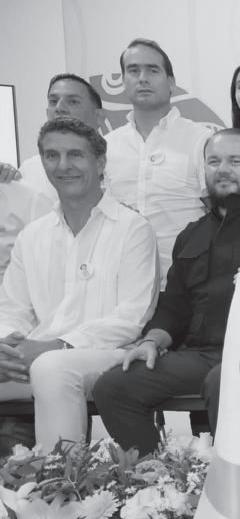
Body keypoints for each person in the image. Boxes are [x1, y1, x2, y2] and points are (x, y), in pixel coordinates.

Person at [93, 129, 240, 454]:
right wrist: (151, 341)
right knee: (114, 387)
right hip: (199, 355)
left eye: (235, 161)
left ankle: (231, 479)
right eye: (214, 161)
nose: (223, 169)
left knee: (222, 381)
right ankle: (160, 478)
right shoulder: (191, 234)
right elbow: (173, 307)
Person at [0, 118, 159, 449]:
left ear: (99, 163)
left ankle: (61, 474)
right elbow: (12, 309)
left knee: (52, 367)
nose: (63, 166)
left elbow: (131, 317)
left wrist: (56, 346)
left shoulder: (132, 228)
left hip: (108, 353)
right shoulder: (33, 235)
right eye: (52, 155)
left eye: (75, 155)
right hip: (32, 355)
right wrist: (8, 348)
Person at [104, 39, 214, 282]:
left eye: (152, 70)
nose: (142, 78)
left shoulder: (201, 139)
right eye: (133, 70)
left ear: (171, 82)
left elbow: (218, 212)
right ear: (123, 81)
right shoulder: (107, 146)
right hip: (121, 282)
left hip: (186, 282)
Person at [0, 73, 105, 202]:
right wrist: (6, 181)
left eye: (73, 101)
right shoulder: (30, 171)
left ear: (98, 116)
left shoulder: (122, 164)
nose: (59, 108)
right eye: (53, 101)